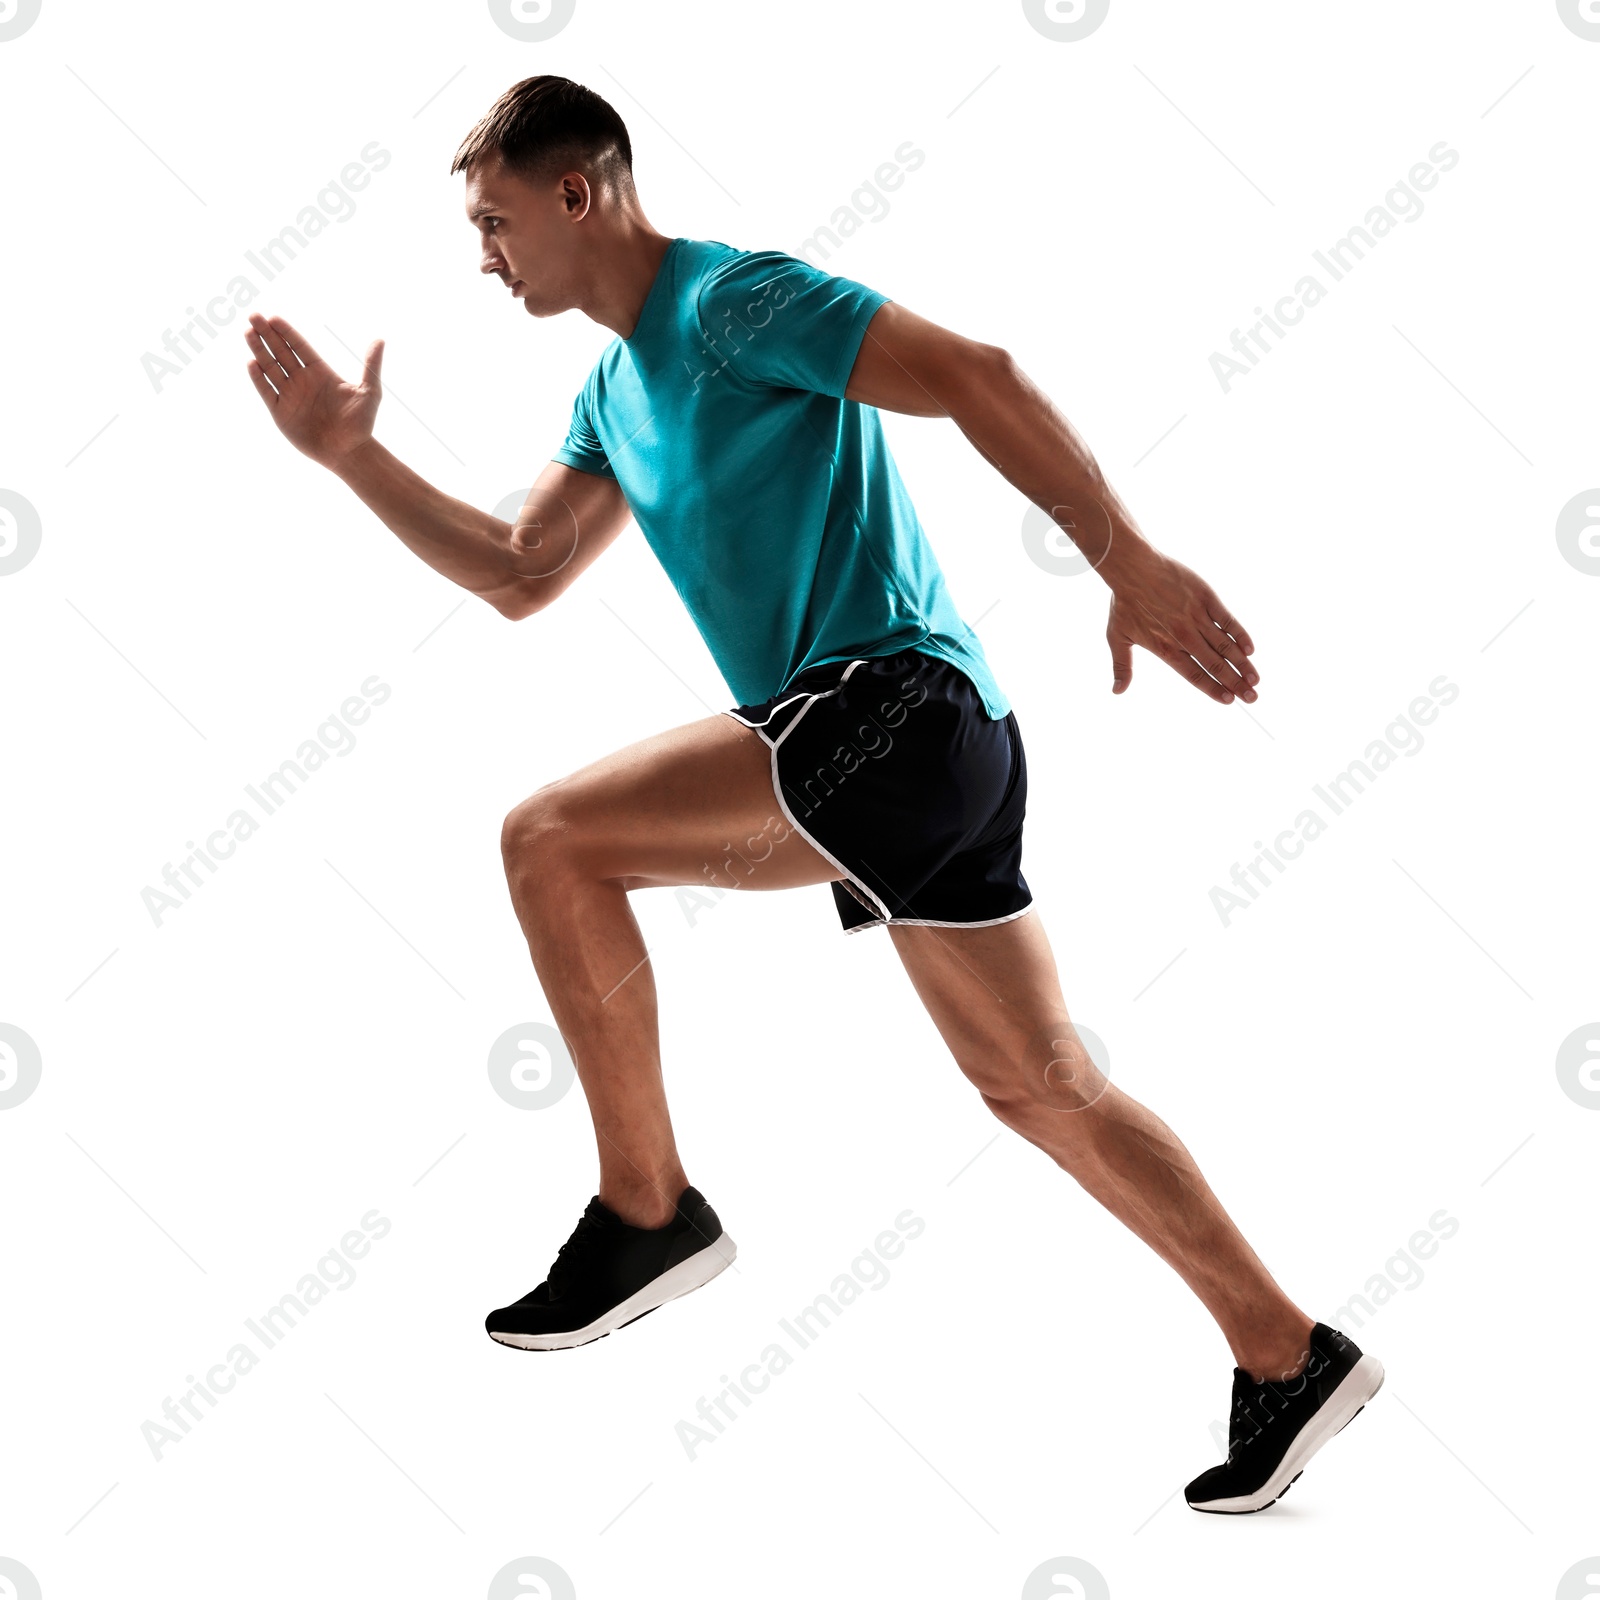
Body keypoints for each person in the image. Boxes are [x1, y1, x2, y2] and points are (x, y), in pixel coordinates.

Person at [241, 74, 1383, 1515]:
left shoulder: (733, 304)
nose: (486, 255)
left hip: (889, 713)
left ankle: (648, 1211)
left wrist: (1127, 560)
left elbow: (980, 373)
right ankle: (1289, 1352)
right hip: (927, 756)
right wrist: (353, 458)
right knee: (1039, 1085)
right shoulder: (610, 392)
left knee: (549, 842)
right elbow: (523, 572)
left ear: (578, 193)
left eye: (496, 220)